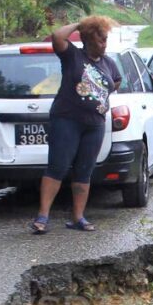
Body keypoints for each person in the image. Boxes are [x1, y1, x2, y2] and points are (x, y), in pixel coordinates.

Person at [31, 16, 121, 234]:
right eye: (100, 40)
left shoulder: (108, 62)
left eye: (105, 40)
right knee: (58, 166)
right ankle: (42, 216)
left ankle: (78, 217)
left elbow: (116, 81)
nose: (104, 44)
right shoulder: (72, 55)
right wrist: (81, 25)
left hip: (94, 124)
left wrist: (102, 98)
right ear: (88, 39)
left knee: (84, 170)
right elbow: (57, 36)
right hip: (67, 120)